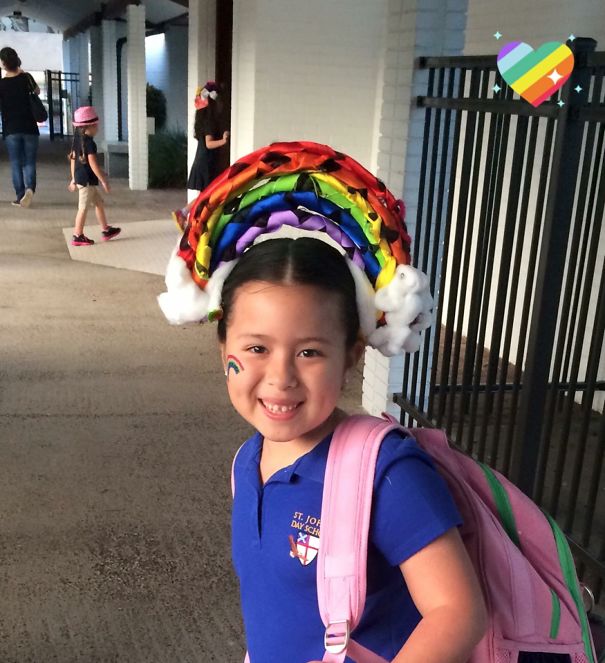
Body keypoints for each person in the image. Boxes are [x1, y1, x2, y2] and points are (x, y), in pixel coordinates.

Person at [157, 141, 487, 662]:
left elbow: (458, 612)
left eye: (310, 351)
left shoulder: (388, 473)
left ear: (352, 355)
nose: (280, 377)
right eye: (256, 349)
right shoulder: (249, 460)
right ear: (224, 348)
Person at [171, 81, 229, 231]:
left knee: (206, 195)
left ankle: (191, 218)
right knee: (206, 196)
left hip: (203, 161)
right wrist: (223, 141)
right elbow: (209, 144)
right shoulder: (209, 121)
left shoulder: (202, 120)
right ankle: (184, 214)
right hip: (205, 163)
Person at [67, 106, 120, 247]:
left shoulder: (77, 140)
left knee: (99, 203)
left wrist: (73, 178)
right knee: (83, 208)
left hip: (83, 179)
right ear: (88, 126)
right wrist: (104, 181)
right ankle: (77, 235)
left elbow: (73, 160)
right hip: (86, 182)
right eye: (96, 125)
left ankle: (105, 229)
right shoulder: (89, 143)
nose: (97, 128)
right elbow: (93, 164)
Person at [0, 46, 40, 208]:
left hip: (11, 129)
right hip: (30, 127)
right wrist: (23, 75)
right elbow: (36, 91)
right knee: (29, 162)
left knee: (16, 163)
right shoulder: (26, 78)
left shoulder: (1, 84)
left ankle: (20, 195)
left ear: (3, 63)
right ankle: (30, 189)